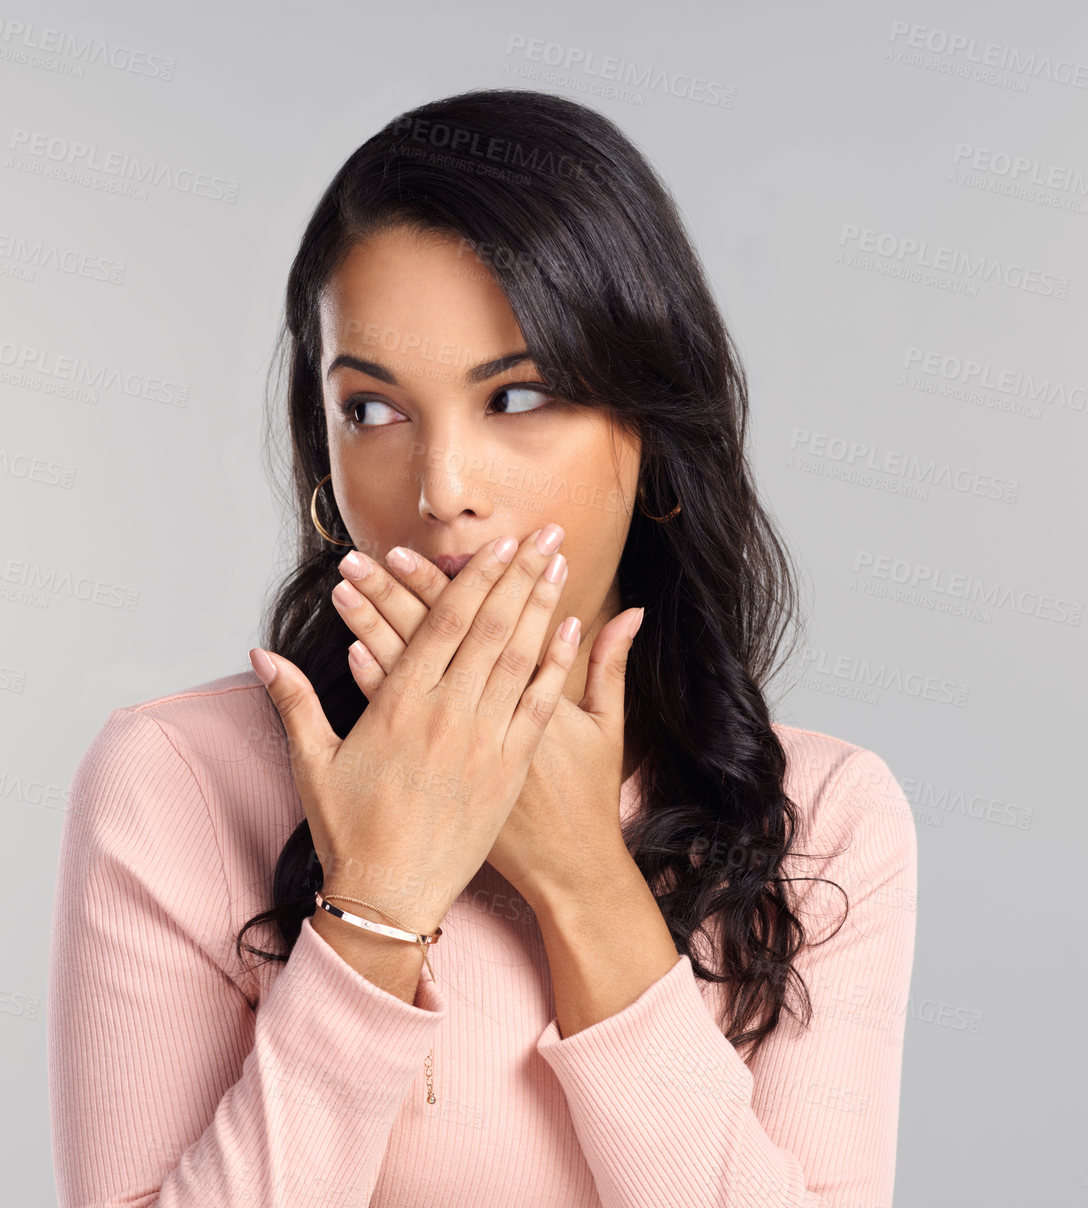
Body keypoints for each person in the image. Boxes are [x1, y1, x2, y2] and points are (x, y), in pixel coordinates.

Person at [49, 87, 918, 1208]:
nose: (439, 491)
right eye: (372, 410)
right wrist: (378, 902)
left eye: (515, 395)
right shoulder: (176, 780)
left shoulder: (828, 819)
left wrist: (576, 873)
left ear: (650, 434)